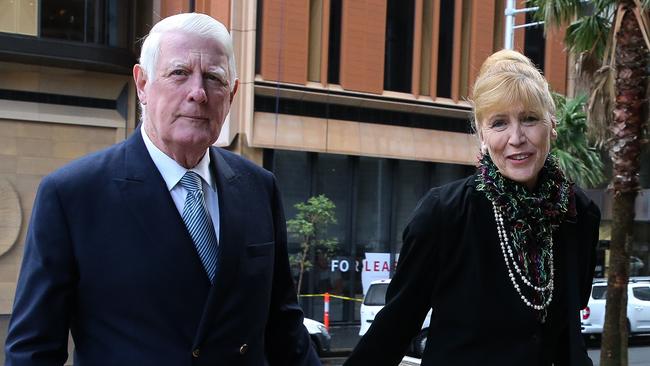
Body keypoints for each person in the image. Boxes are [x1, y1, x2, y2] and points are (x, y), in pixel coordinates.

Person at [5, 13, 320, 366]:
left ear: (231, 94)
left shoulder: (258, 187)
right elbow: (33, 352)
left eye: (214, 78)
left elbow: (285, 330)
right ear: (142, 83)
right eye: (179, 73)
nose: (198, 93)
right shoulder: (73, 195)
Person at [344, 50, 601, 366]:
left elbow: (567, 335)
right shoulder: (444, 214)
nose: (516, 138)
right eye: (499, 123)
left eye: (530, 119)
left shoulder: (579, 215)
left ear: (552, 124)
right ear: (481, 134)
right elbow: (394, 328)